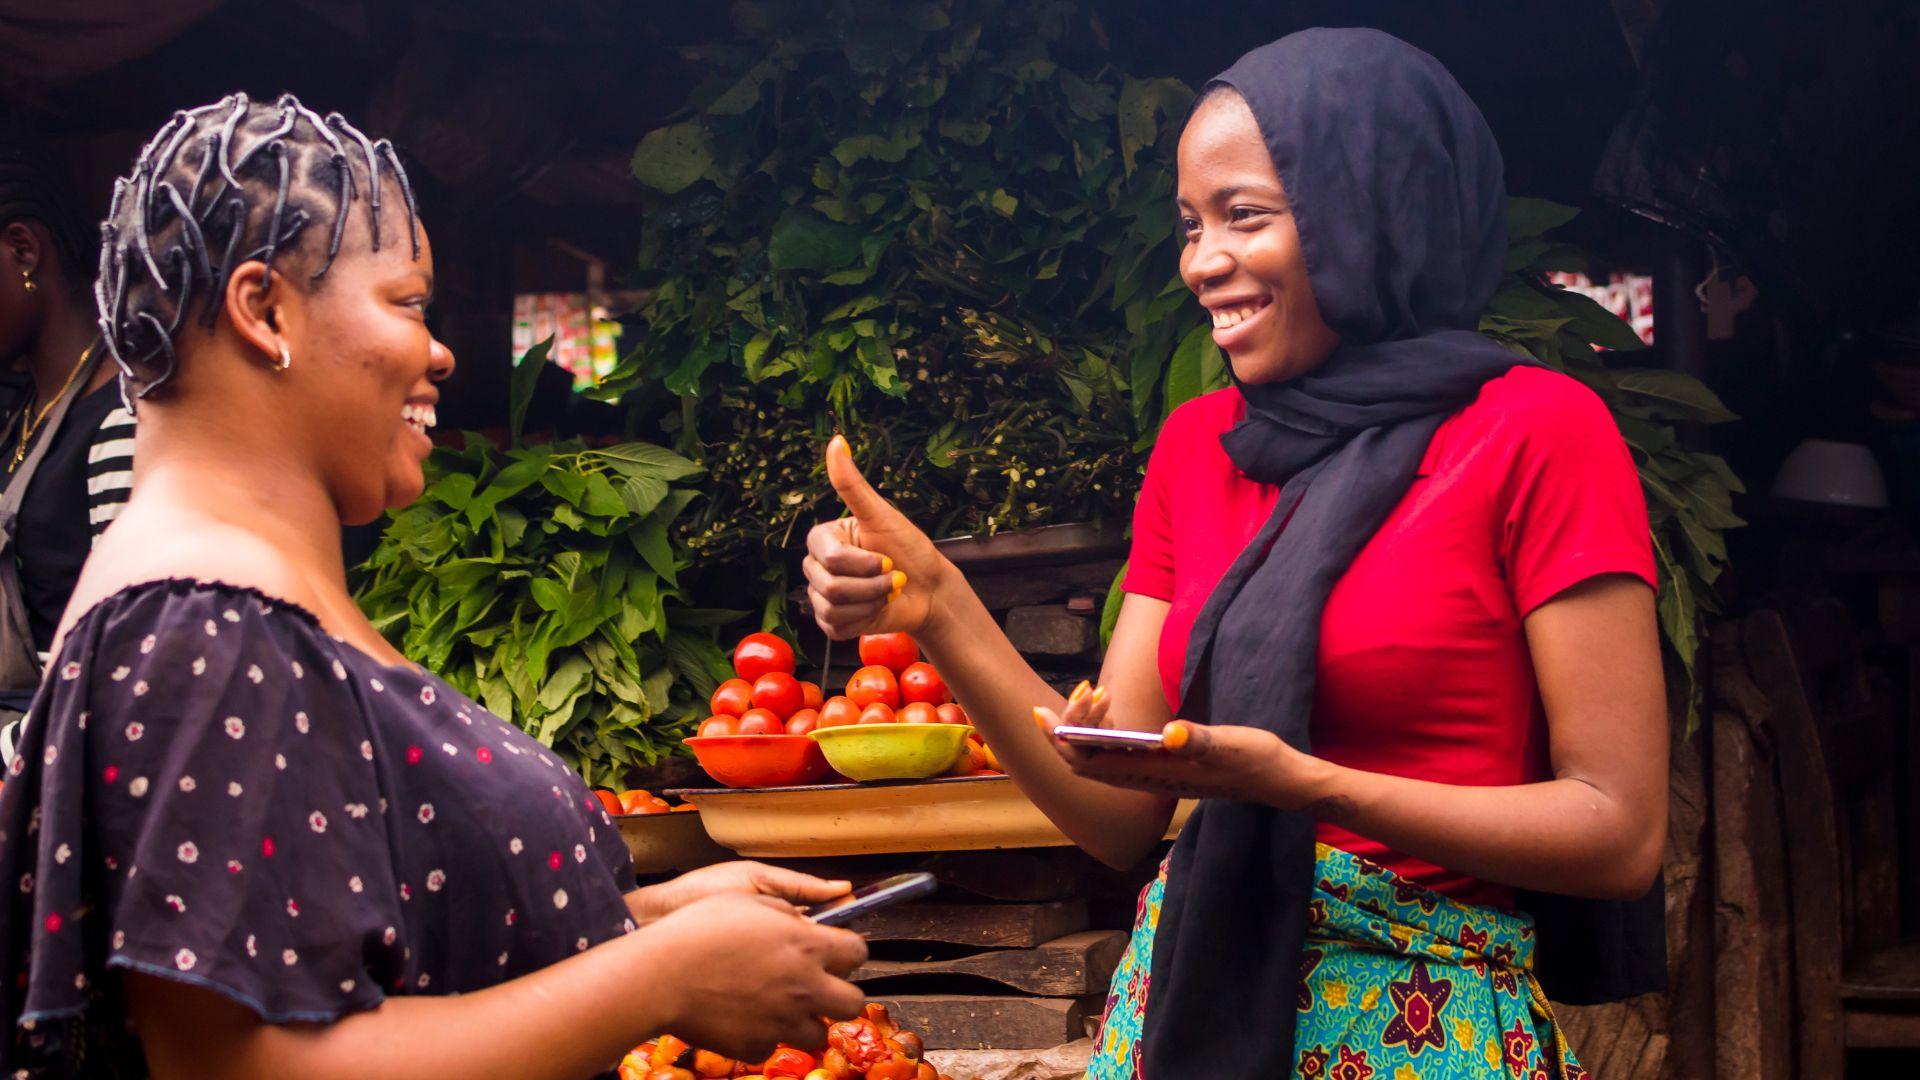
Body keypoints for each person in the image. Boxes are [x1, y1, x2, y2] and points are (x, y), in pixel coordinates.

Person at [803, 29, 1665, 1080]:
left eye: (1244, 215)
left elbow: (1618, 832)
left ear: (1371, 206)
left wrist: (1310, 786)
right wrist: (937, 603)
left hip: (1421, 1031)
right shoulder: (1197, 450)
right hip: (1181, 1012)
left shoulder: (1537, 431)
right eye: (1189, 225)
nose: (1202, 261)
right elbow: (1120, 817)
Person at [0, 94, 868, 1079]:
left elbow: (372, 951)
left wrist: (635, 925)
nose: (442, 349)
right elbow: (242, 1064)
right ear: (265, 310)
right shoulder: (202, 622)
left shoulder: (245, 594)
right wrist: (654, 981)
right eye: (408, 303)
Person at [0, 120, 135, 744]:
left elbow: (126, 673)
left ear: (24, 252)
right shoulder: (22, 414)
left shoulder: (124, 418)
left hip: (51, 764)